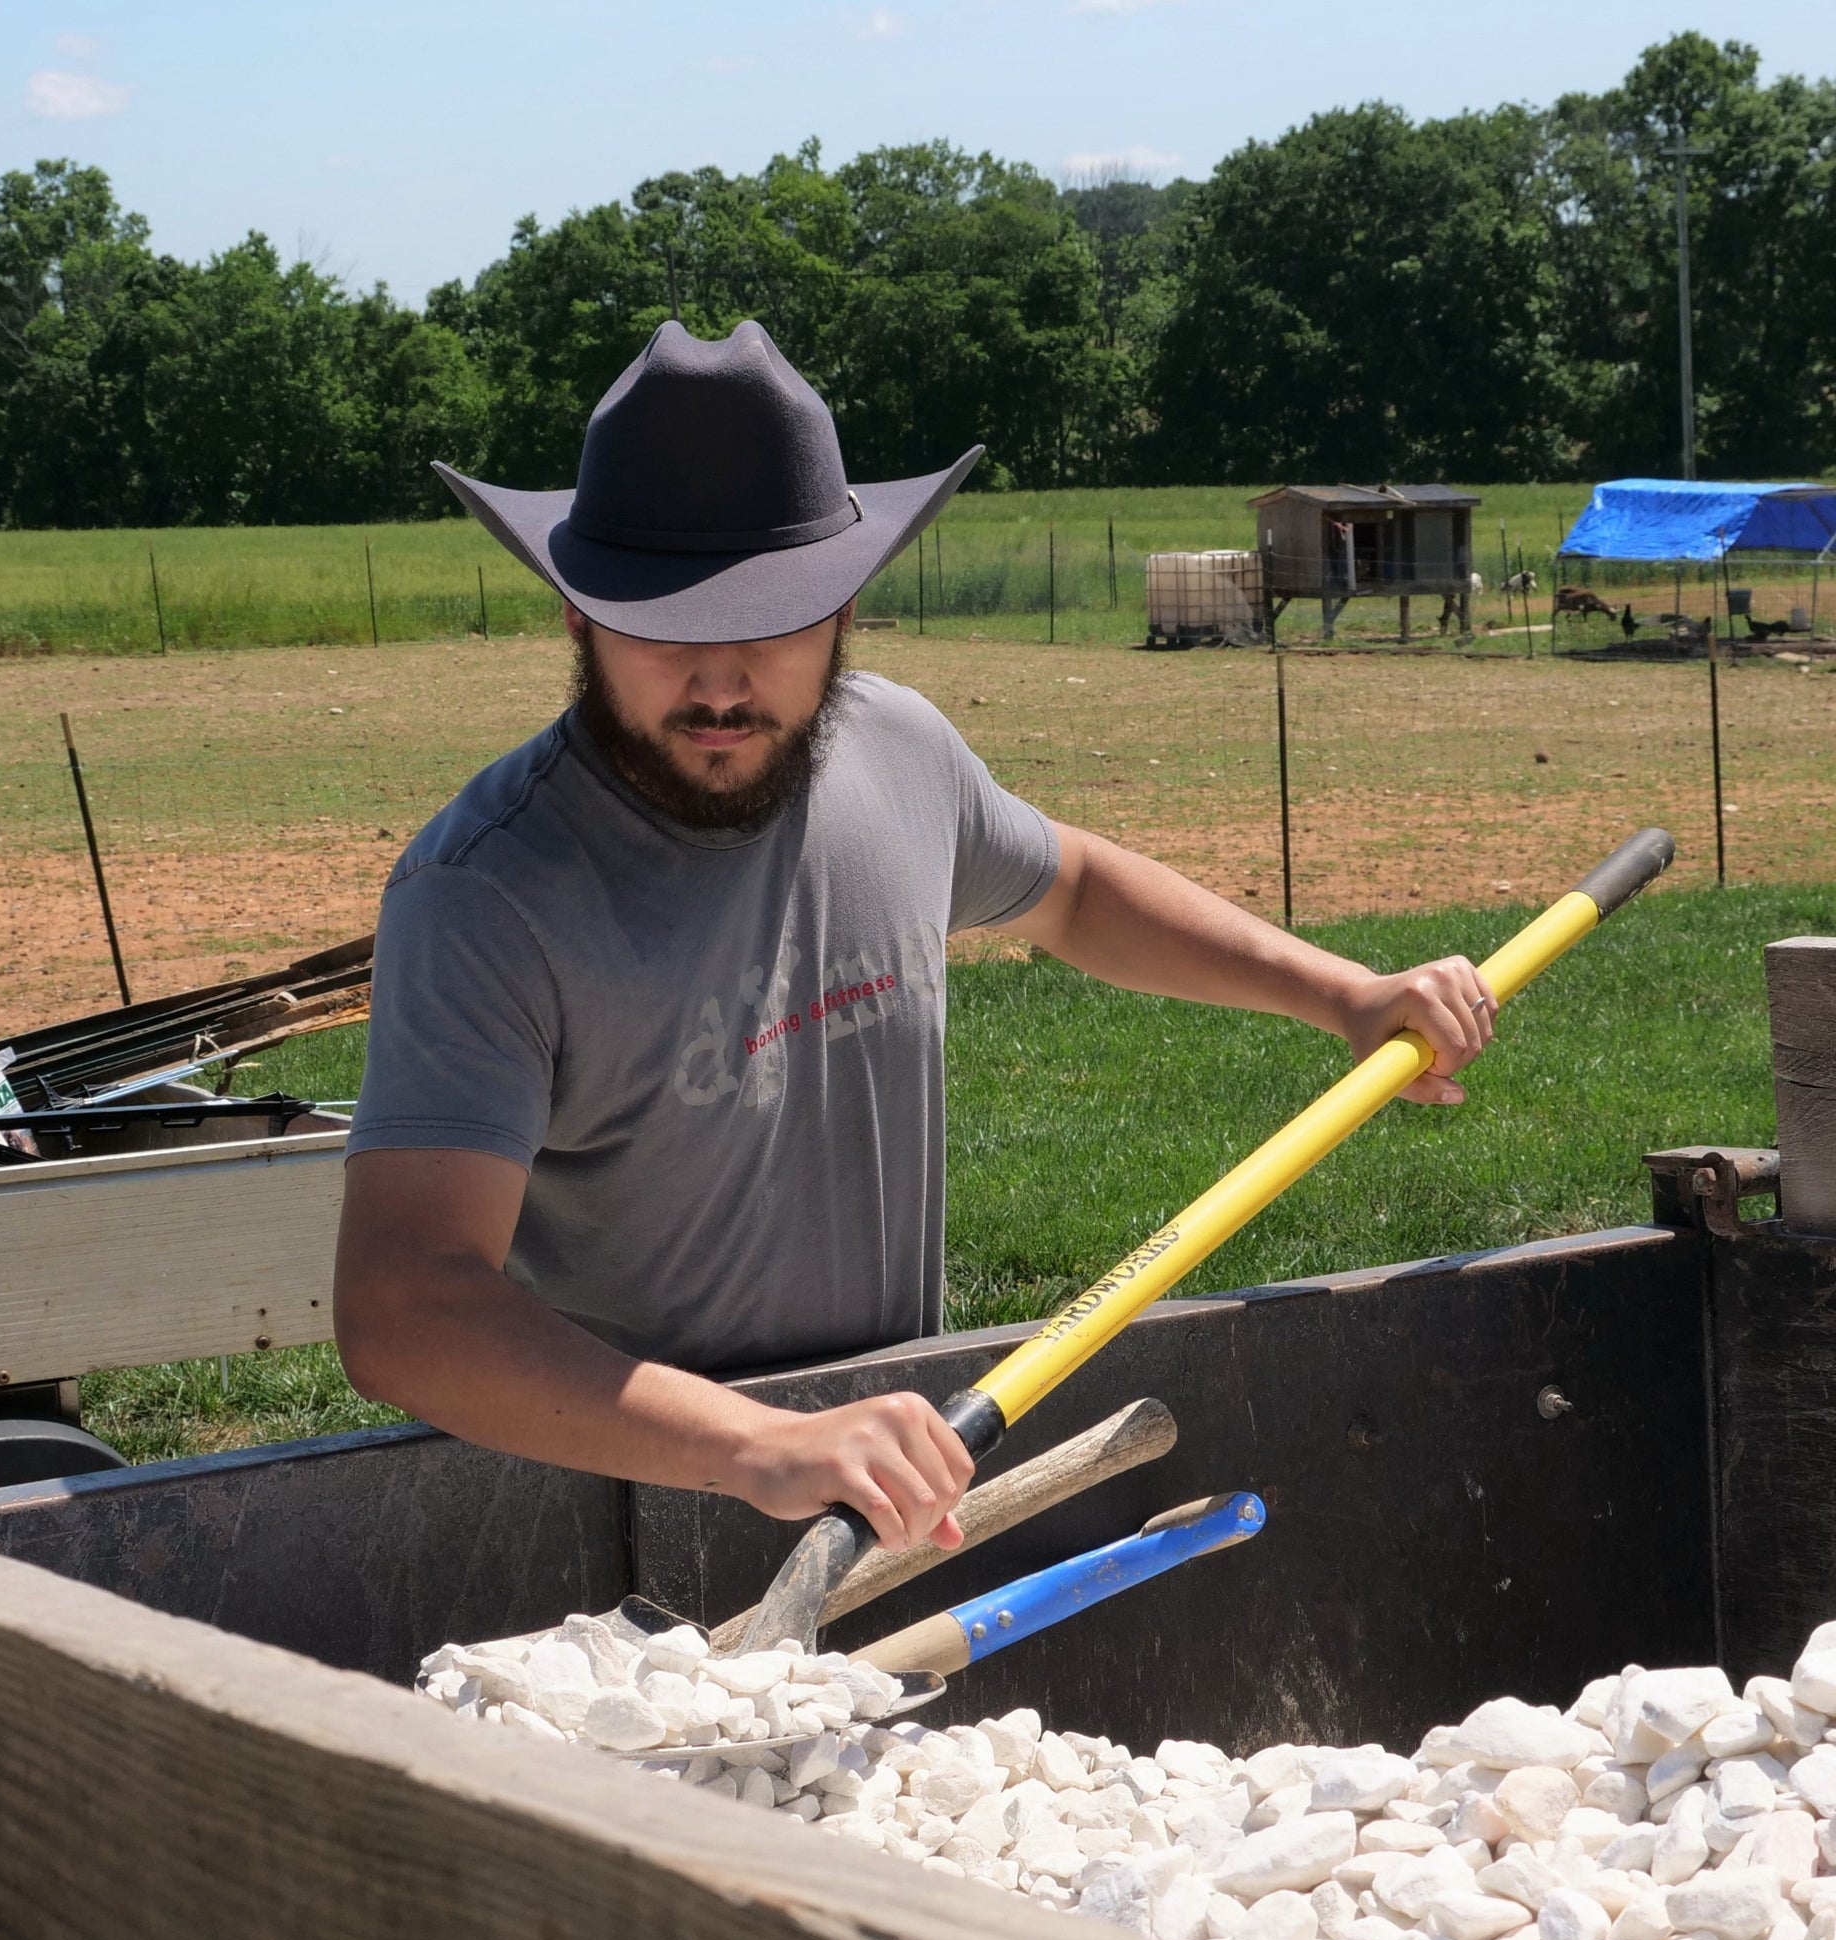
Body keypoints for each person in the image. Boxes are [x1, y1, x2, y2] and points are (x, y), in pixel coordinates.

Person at [333, 320, 1497, 1559]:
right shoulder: (485, 893)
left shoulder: (895, 752)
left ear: (846, 608)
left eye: (774, 623)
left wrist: (1346, 995)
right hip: (632, 1508)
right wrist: (751, 1443)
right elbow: (405, 1307)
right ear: (575, 616)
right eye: (666, 625)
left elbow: (1074, 888)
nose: (721, 683)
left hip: (893, 1474)